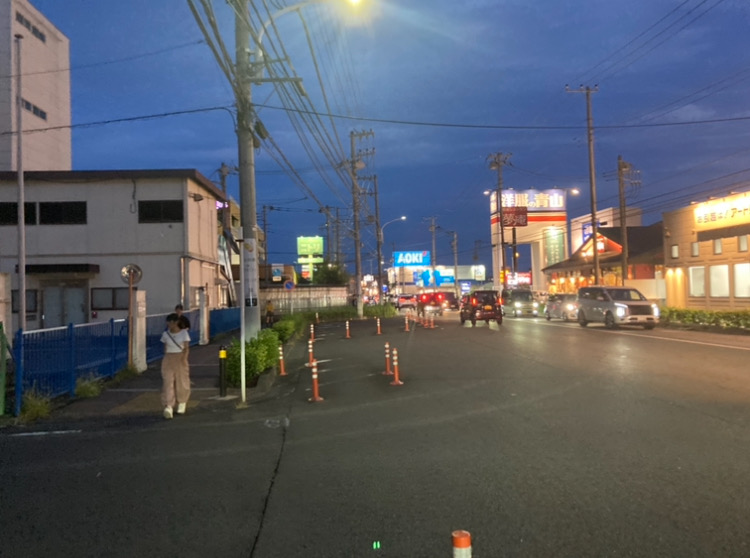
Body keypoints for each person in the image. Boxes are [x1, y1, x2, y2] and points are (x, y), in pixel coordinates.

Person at [160, 313, 191, 419]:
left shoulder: (184, 333)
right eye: (168, 322)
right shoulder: (165, 334)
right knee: (168, 382)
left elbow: (186, 348)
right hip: (168, 358)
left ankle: (182, 402)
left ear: (176, 322)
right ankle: (168, 406)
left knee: (181, 381)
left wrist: (184, 358)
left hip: (180, 357)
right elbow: (165, 348)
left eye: (170, 322)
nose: (168, 324)